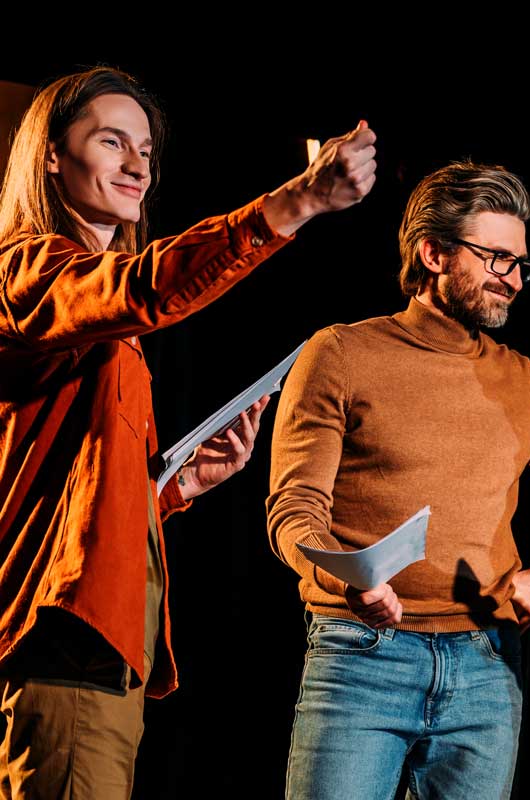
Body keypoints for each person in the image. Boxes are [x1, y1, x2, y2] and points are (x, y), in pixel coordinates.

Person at [0, 65, 376, 800]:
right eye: (112, 142)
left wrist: (177, 486)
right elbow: (145, 289)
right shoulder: (26, 271)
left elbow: (77, 496)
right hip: (64, 637)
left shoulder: (100, 323)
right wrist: (296, 201)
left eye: (145, 150)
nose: (138, 166)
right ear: (51, 157)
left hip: (98, 642)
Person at [266, 159, 530, 799]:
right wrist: (347, 576)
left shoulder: (525, 379)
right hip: (361, 654)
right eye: (497, 259)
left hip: (488, 663)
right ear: (433, 253)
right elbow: (294, 509)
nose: (514, 279)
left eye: (521, 264)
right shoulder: (341, 353)